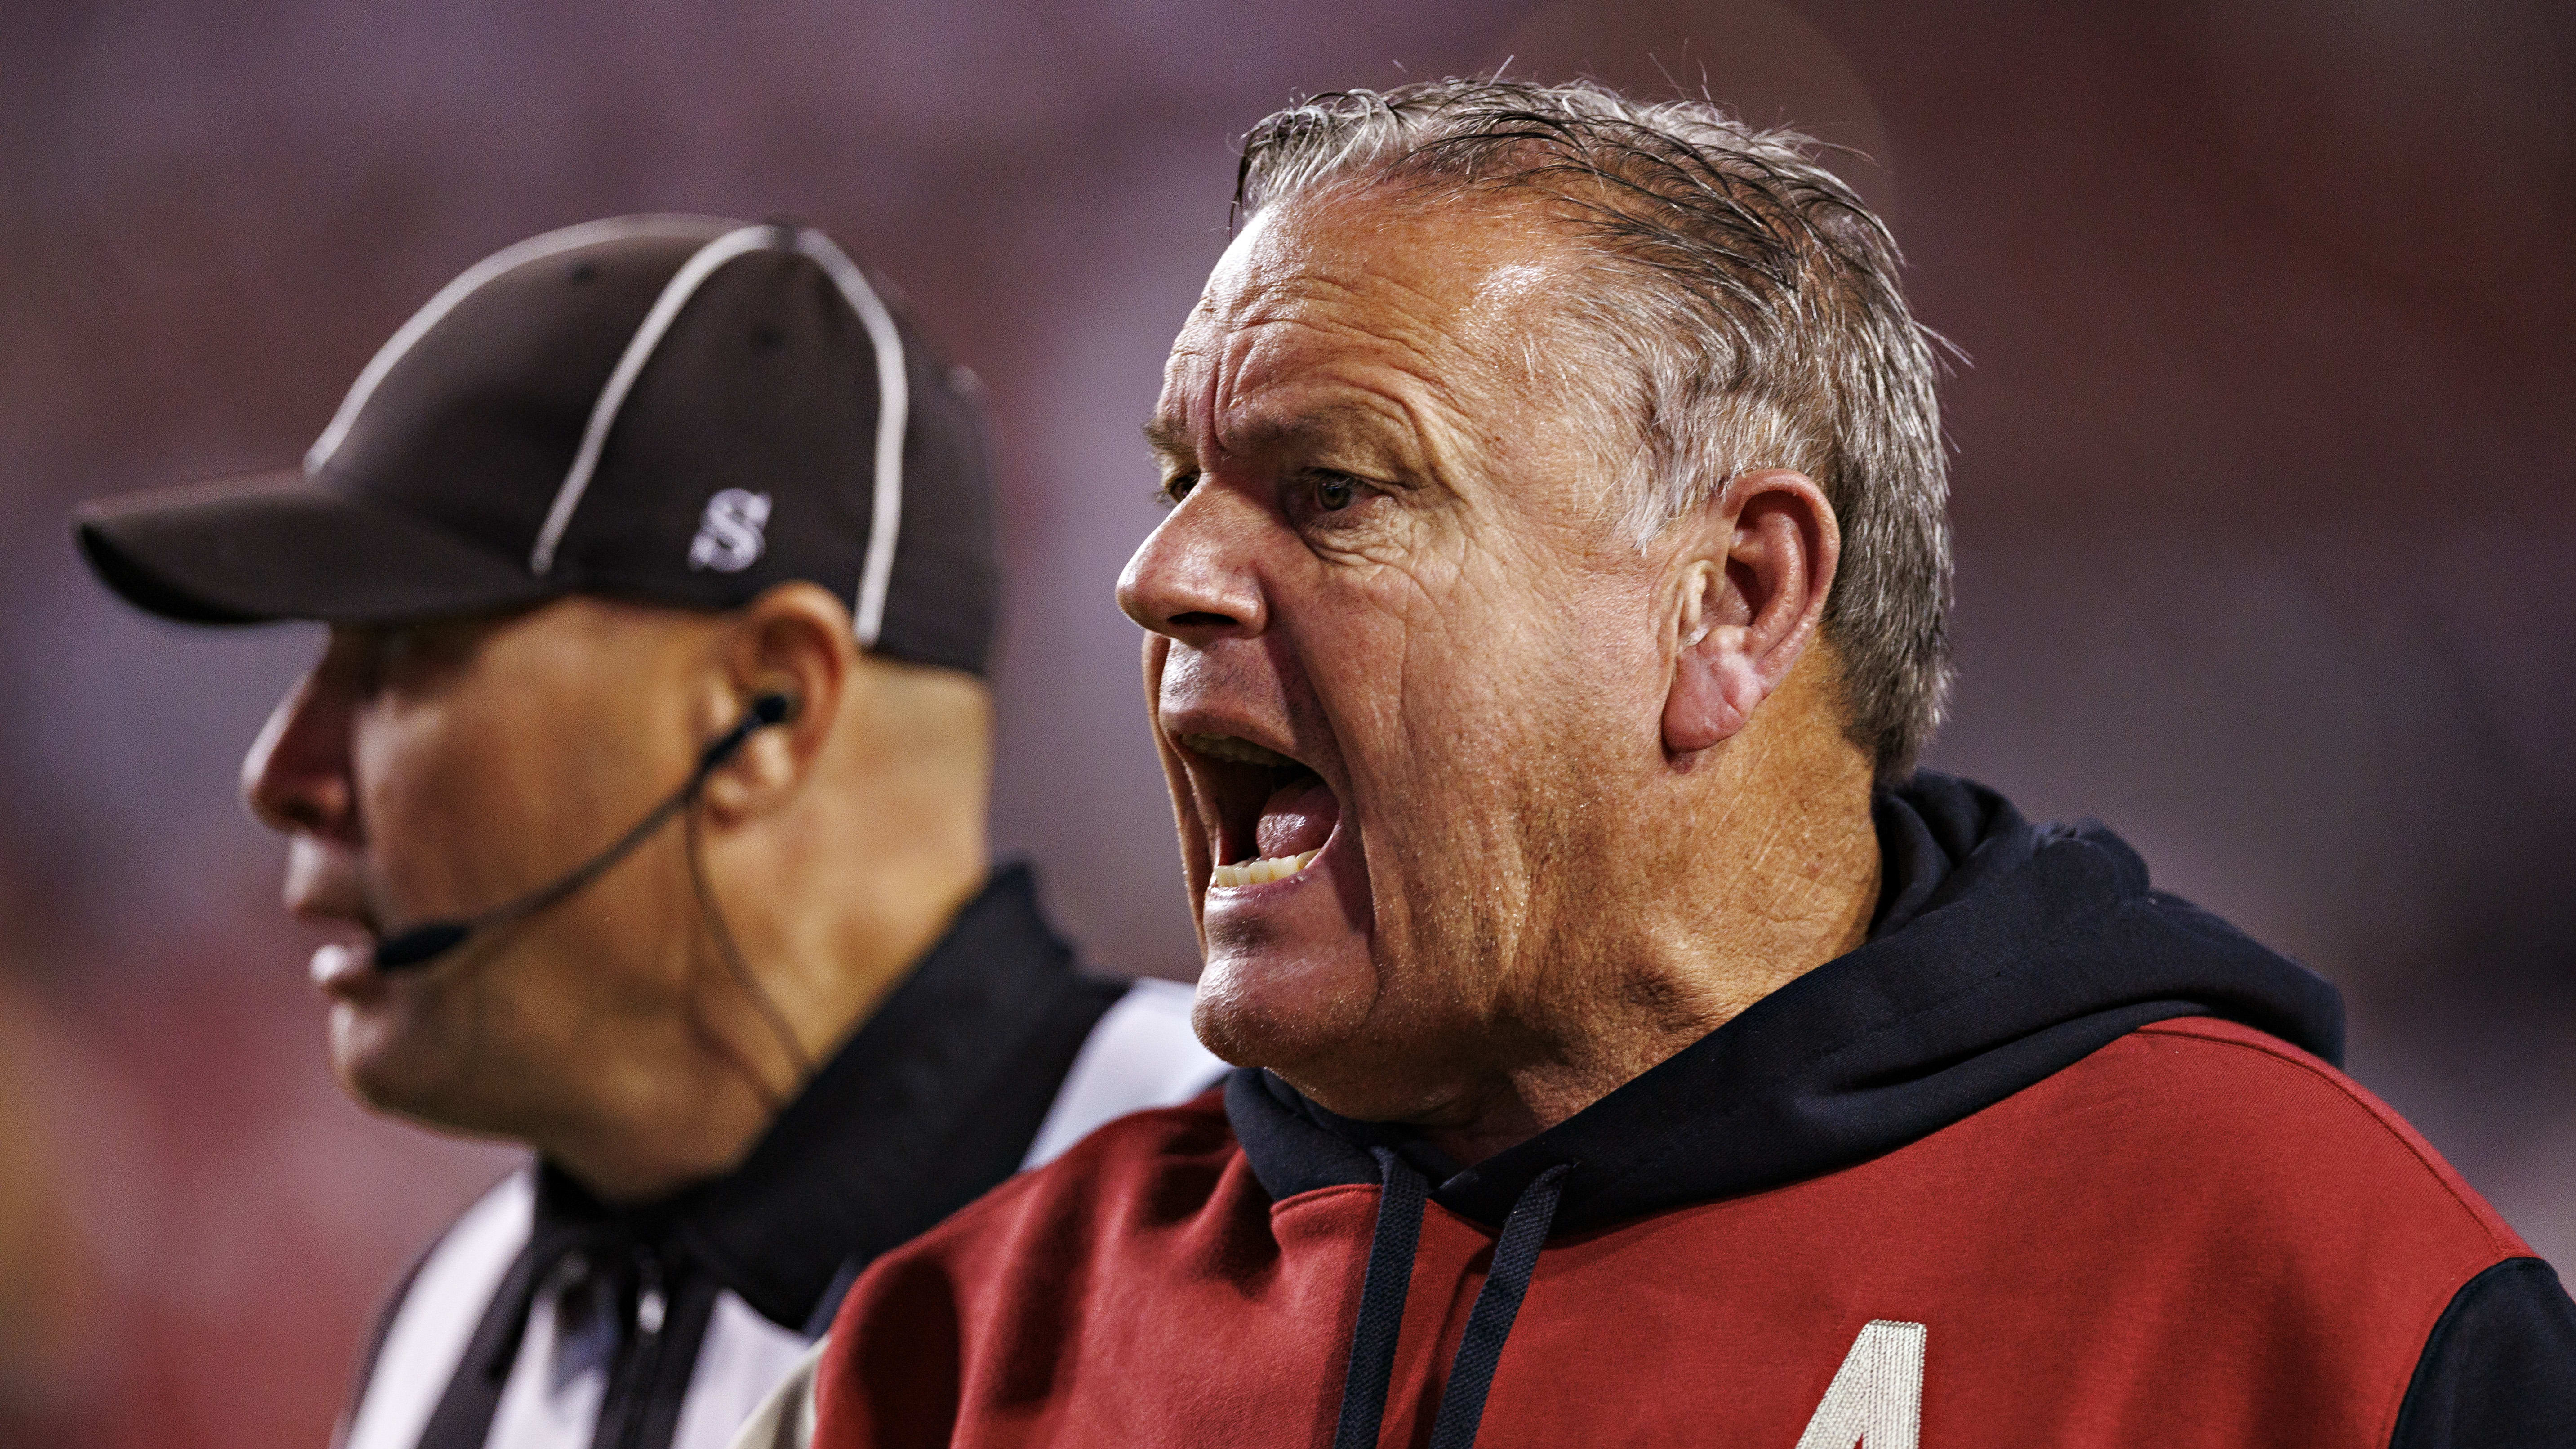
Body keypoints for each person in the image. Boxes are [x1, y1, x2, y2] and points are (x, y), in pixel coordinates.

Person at [792, 82, 2576, 1448]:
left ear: (1728, 597)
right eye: (1179, 478)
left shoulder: (2290, 1286)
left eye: (1330, 489)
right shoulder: (971, 1342)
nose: (1155, 571)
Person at [70, 214, 1220, 1449]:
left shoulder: (1242, 1207)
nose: (280, 772)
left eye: (402, 663)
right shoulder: (457, 1312)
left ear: (768, 706)